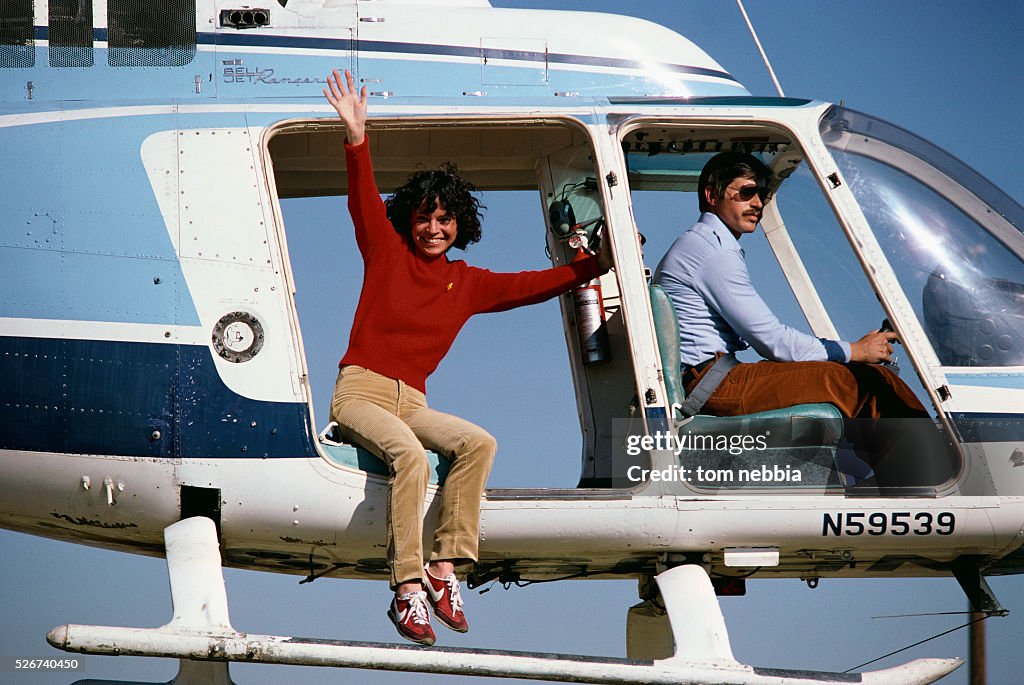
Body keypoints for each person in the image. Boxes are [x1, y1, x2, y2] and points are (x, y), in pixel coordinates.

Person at [323, 70, 611, 646]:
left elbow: (530, 284)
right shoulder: (385, 250)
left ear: (460, 226)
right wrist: (357, 137)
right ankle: (406, 591)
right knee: (409, 455)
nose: (433, 228)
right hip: (360, 393)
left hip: (414, 401)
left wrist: (592, 267)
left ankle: (444, 568)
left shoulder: (467, 282)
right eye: (424, 217)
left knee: (478, 443)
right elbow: (360, 199)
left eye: (444, 219)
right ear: (409, 218)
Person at [652, 152, 936, 481]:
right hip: (714, 385)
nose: (757, 202)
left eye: (761, 193)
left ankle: (890, 488)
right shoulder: (711, 250)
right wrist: (855, 351)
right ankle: (934, 485)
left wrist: (851, 353)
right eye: (745, 192)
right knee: (868, 382)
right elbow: (774, 343)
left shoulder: (705, 245)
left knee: (860, 381)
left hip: (715, 377)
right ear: (712, 195)